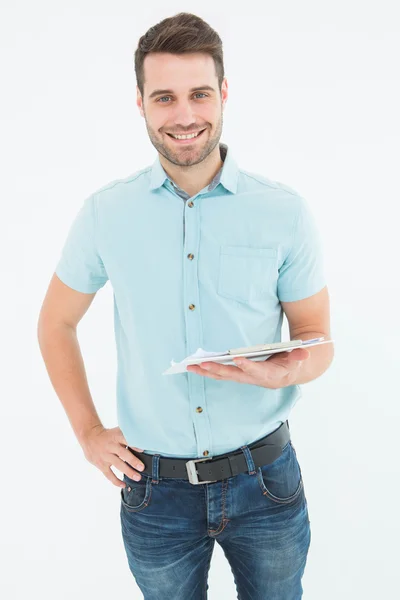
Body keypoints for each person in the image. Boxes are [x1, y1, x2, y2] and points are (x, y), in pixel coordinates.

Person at [37, 11, 334, 600]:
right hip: (156, 491)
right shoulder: (106, 214)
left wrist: (283, 369)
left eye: (199, 93)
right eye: (164, 97)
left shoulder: (284, 212)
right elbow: (56, 322)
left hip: (266, 480)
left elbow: (317, 338)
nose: (185, 115)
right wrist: (89, 431)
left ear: (223, 94)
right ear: (141, 104)